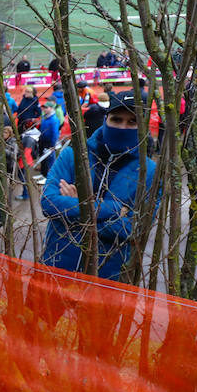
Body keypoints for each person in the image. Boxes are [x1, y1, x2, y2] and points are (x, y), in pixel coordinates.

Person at [39, 91, 157, 281]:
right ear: (106, 119)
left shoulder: (149, 171)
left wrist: (76, 208)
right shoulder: (73, 155)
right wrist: (115, 208)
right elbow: (49, 203)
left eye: (132, 122)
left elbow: (135, 228)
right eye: (116, 119)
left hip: (107, 276)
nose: (123, 127)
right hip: (56, 266)